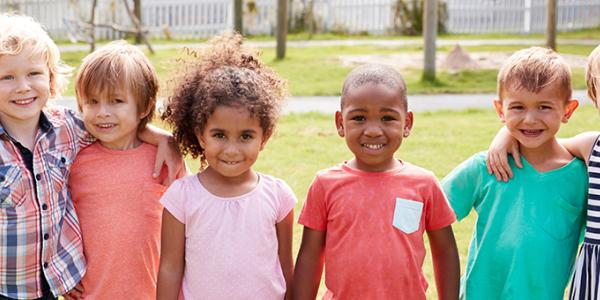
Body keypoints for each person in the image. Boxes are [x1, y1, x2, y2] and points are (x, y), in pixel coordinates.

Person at [0, 13, 182, 300]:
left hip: (51, 287)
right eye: (7, 77)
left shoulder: (67, 130)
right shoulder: (74, 138)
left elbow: (121, 125)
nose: (23, 86)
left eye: (33, 74)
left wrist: (162, 138)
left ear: (50, 78)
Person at [292, 64, 460, 300]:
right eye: (359, 118)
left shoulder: (424, 184)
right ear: (340, 123)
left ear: (407, 123)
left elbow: (445, 251)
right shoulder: (325, 184)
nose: (372, 130)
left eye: (387, 118)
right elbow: (309, 256)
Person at [156, 32, 296, 300]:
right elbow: (170, 269)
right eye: (219, 135)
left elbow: (285, 267)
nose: (231, 150)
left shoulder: (279, 197)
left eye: (246, 136)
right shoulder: (181, 198)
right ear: (200, 135)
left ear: (263, 138)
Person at [443, 46, 587, 299]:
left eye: (544, 107)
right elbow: (432, 211)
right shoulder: (485, 167)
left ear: (567, 110)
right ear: (501, 110)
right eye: (518, 107)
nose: (530, 119)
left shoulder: (581, 179)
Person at [486, 45, 600, 300]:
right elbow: (547, 144)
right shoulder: (592, 147)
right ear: (595, 95)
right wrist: (506, 132)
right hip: (595, 279)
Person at [64, 41, 168, 299]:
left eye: (116, 101)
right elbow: (54, 223)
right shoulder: (74, 161)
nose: (102, 113)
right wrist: (62, 276)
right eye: (92, 102)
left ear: (144, 107)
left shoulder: (165, 160)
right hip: (92, 293)